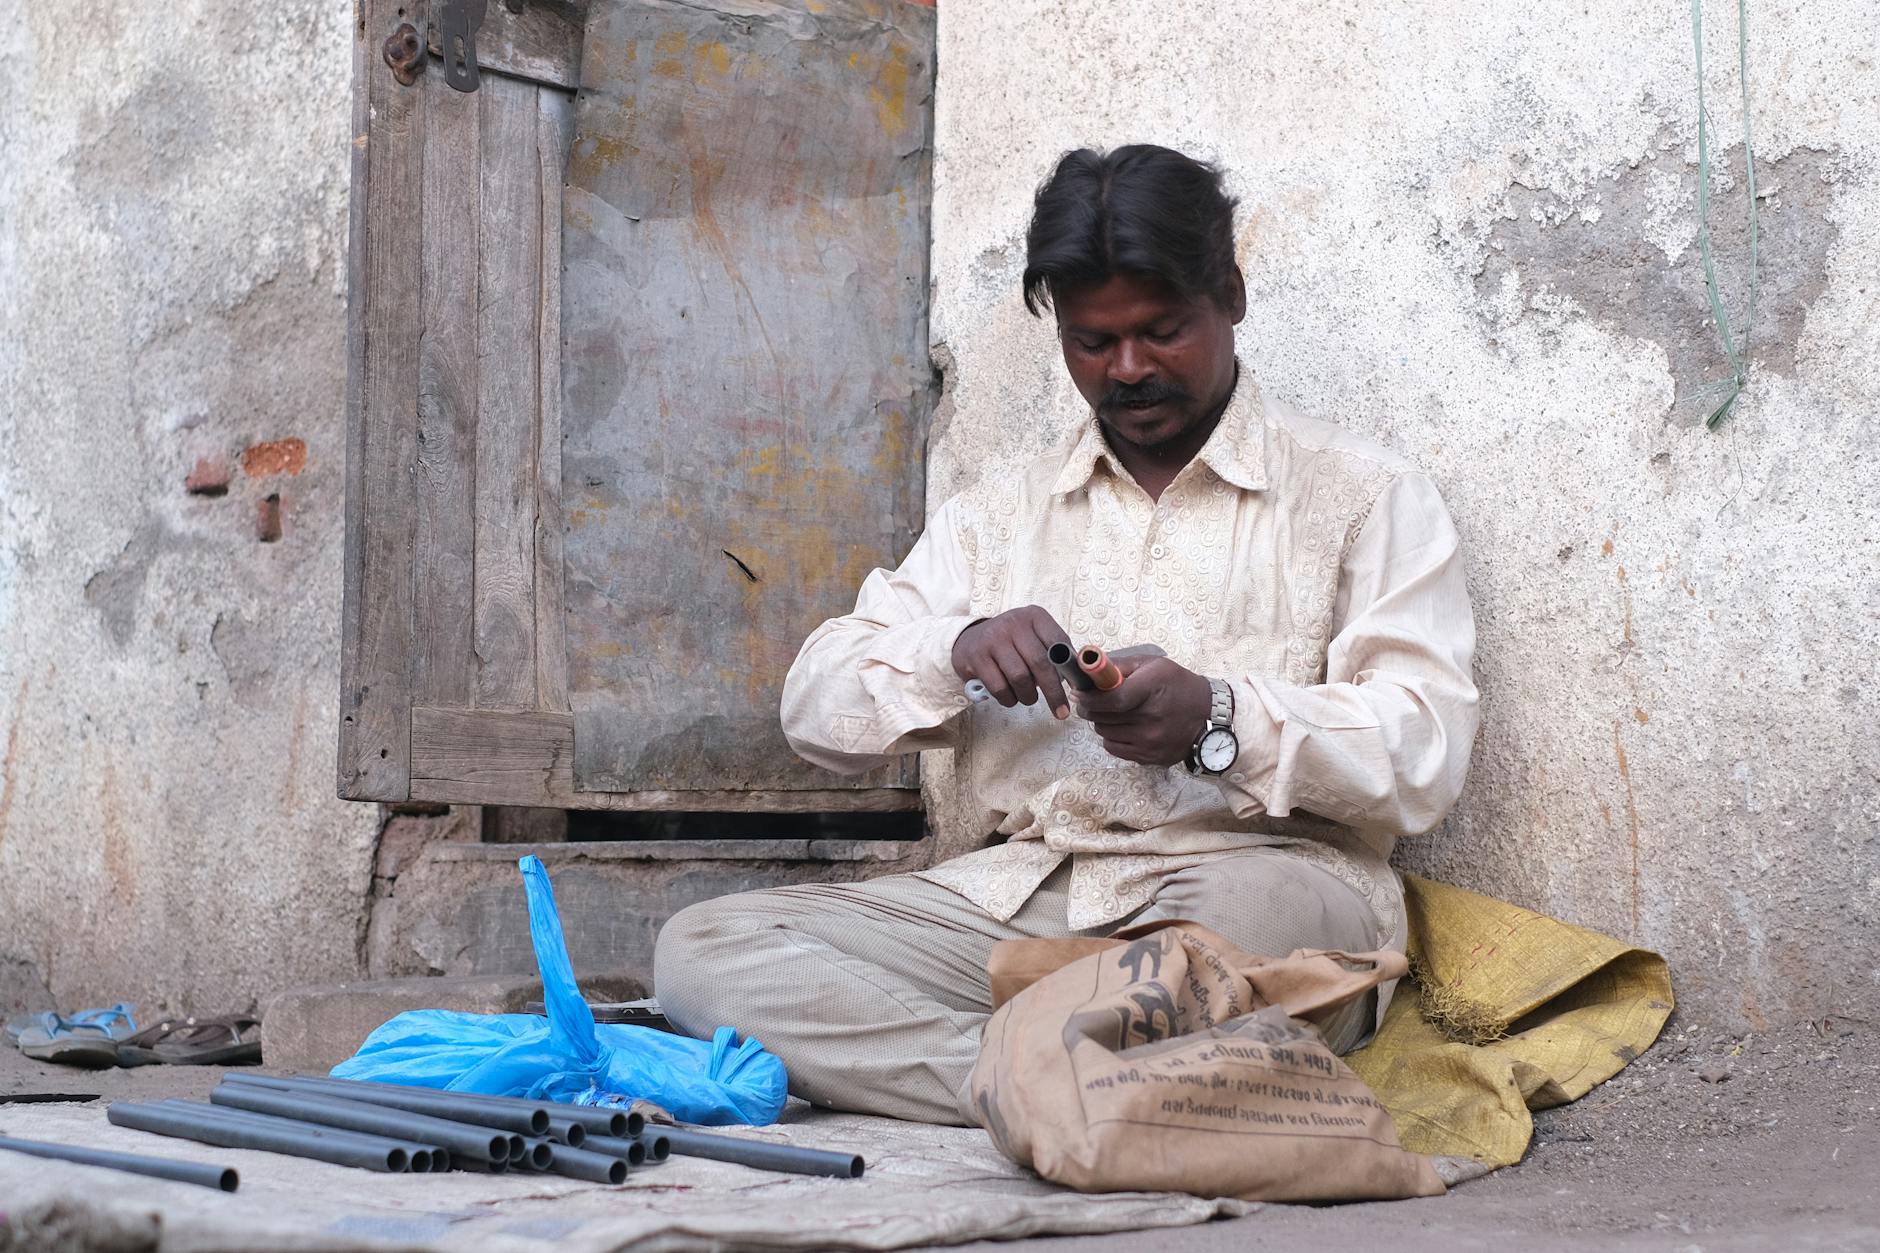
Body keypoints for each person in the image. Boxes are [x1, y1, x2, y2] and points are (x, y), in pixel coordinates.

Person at [654, 144, 1478, 1125]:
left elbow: (1421, 750)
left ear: (1231, 295)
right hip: (1021, 900)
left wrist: (1216, 720)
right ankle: (1039, 1078)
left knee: (1278, 956)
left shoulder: (1362, 496)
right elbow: (812, 708)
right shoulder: (995, 516)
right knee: (701, 955)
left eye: (1161, 331)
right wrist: (950, 647)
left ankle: (1040, 1057)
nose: (1127, 368)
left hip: (1249, 895)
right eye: (1092, 342)